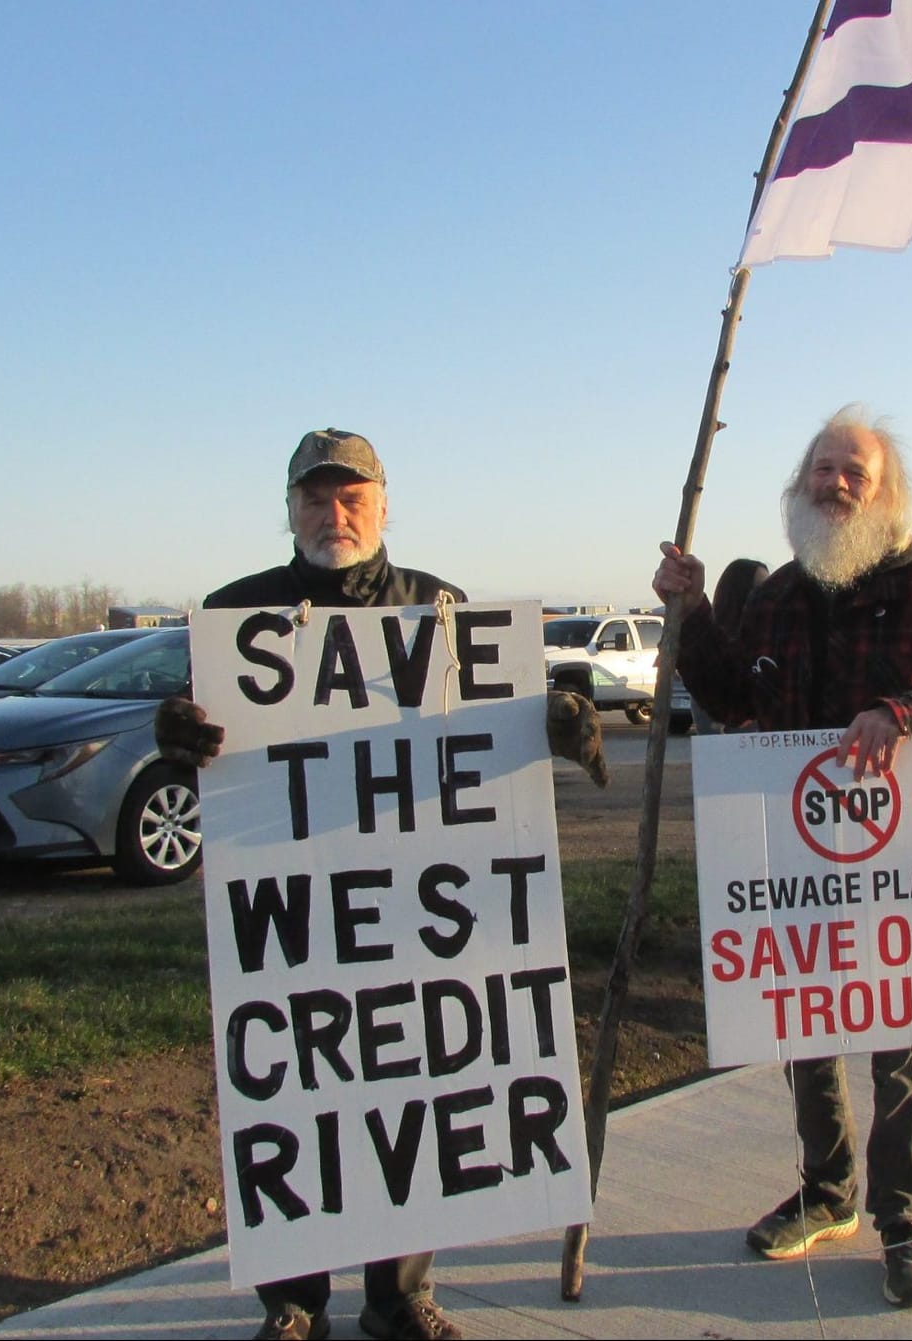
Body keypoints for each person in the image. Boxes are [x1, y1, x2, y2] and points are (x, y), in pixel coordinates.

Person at [154, 428, 607, 1341]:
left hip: (413, 902)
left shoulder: (439, 610)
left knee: (416, 1076)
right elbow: (203, 726)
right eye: (316, 497)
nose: (336, 514)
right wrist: (175, 730)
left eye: (353, 496)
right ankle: (293, 1301)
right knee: (299, 1082)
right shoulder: (235, 615)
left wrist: (554, 723)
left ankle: (400, 1295)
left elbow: (482, 732)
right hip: (297, 908)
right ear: (288, 509)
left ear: (385, 503)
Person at [652, 406, 912, 1309]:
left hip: (902, 858)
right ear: (799, 483)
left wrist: (905, 710)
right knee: (803, 1029)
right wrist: (692, 610)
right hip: (793, 860)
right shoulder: (774, 592)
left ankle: (904, 1221)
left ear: (887, 493)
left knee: (899, 1042)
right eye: (823, 467)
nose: (836, 482)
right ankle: (826, 1189)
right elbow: (731, 693)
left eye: (856, 471)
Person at [691, 557, 768, 733]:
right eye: (760, 590)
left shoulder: (772, 643)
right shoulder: (718, 653)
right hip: (731, 753)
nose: (769, 596)